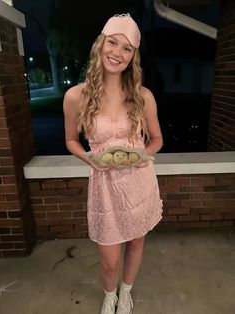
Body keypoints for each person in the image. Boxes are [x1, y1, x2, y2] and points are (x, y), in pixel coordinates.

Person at [63, 13, 163, 314]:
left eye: (126, 48)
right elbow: (71, 140)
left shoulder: (143, 96)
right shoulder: (76, 96)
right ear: (101, 44)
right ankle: (110, 293)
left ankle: (127, 291)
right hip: (104, 186)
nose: (117, 53)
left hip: (138, 183)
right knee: (109, 258)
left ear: (133, 56)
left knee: (135, 243)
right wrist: (90, 158)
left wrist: (142, 155)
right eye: (113, 43)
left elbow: (157, 139)